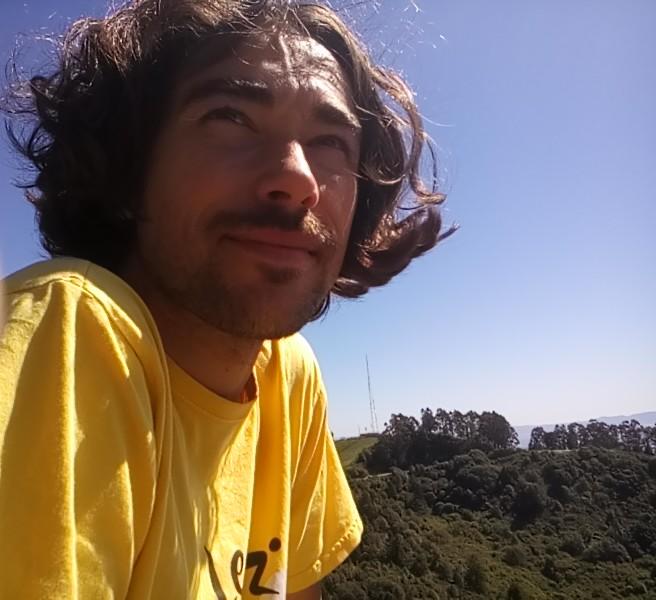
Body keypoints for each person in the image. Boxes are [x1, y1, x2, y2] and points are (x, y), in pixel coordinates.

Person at [0, 1, 453, 598]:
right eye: (230, 116)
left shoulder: (287, 376)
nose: (298, 178)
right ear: (130, 169)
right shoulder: (67, 331)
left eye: (330, 141)